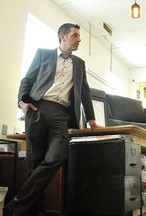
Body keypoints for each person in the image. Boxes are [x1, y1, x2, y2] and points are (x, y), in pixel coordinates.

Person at [3, 23, 98, 216]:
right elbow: (27, 80)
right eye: (75, 35)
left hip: (62, 114)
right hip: (38, 108)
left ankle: (14, 207)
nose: (79, 39)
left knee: (56, 156)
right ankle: (38, 211)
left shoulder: (79, 64)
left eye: (79, 36)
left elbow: (85, 91)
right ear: (63, 37)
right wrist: (22, 102)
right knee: (34, 163)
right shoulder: (43, 54)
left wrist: (91, 118)